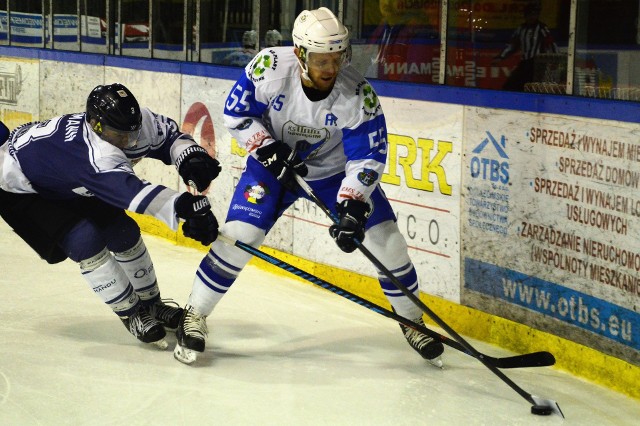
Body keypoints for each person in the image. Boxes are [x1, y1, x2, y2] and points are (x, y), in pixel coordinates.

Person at [173, 7, 445, 366]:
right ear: (301, 55)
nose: (331, 69)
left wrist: (351, 204)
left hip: (333, 175)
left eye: (337, 58)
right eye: (321, 61)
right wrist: (266, 147)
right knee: (240, 236)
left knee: (389, 244)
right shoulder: (268, 68)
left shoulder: (357, 95)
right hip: (272, 169)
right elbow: (236, 114)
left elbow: (368, 158)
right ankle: (195, 314)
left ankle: (412, 321)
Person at [0, 83, 221, 348]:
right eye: (120, 136)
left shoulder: (128, 126)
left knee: (123, 231)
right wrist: (185, 208)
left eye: (133, 132)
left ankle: (152, 306)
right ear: (96, 126)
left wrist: (190, 157)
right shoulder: (93, 154)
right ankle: (131, 313)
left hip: (63, 179)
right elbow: (131, 193)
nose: (129, 142)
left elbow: (171, 137)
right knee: (85, 240)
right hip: (21, 189)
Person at [492, 2, 558, 91]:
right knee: (510, 85)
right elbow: (512, 45)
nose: (532, 17)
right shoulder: (521, 29)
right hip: (525, 62)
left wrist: (555, 60)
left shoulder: (541, 28)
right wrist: (501, 57)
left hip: (538, 63)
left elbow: (550, 43)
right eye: (529, 14)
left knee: (532, 87)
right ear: (525, 15)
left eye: (534, 14)